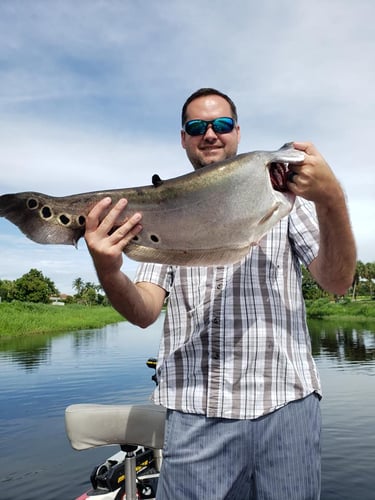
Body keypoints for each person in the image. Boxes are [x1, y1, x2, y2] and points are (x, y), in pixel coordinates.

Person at [84, 88, 356, 499]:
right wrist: (107, 267)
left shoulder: (288, 200)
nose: (210, 133)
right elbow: (143, 310)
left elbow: (336, 281)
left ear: (237, 133)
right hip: (197, 413)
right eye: (197, 126)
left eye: (221, 124)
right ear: (183, 138)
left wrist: (331, 198)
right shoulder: (163, 209)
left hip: (288, 406)